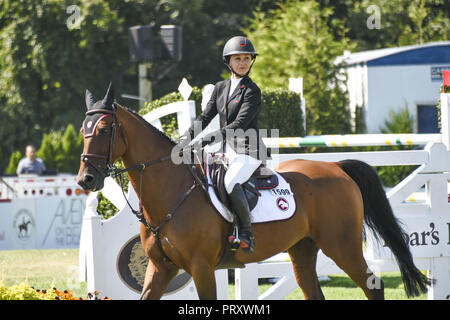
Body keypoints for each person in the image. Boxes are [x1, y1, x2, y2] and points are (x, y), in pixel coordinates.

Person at [177, 36, 269, 253]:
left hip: (249, 149)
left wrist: (206, 140)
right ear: (228, 61)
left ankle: (246, 233)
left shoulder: (252, 91)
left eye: (247, 58)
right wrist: (185, 139)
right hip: (227, 149)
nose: (243, 63)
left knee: (229, 182)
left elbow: (239, 124)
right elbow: (205, 117)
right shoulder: (220, 88)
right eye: (238, 59)